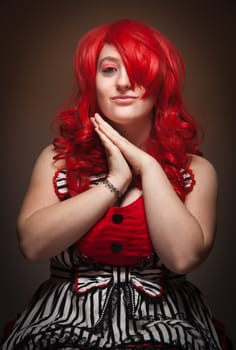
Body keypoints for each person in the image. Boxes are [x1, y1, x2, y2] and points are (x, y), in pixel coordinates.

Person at [1, 18, 224, 349]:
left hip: (166, 321)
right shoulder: (57, 161)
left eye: (139, 70)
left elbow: (182, 257)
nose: (123, 83)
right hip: (64, 321)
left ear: (161, 83)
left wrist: (147, 166)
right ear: (92, 83)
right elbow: (32, 245)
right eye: (108, 70)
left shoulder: (197, 171)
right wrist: (116, 181)